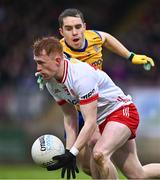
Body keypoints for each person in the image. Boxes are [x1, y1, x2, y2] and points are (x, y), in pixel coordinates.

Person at [33, 36, 160, 179]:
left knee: (99, 153)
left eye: (41, 63)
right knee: (138, 175)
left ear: (57, 61)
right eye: (36, 63)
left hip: (122, 111)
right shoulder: (50, 82)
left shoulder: (80, 76)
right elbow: (70, 117)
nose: (38, 68)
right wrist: (69, 151)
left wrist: (73, 152)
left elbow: (90, 122)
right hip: (103, 120)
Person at [57, 8, 155, 177]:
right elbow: (47, 64)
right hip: (81, 108)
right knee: (136, 174)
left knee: (98, 152)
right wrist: (45, 75)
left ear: (84, 27)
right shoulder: (58, 53)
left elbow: (107, 38)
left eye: (78, 27)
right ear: (61, 31)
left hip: (104, 106)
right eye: (68, 28)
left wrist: (130, 56)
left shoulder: (93, 37)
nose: (75, 32)